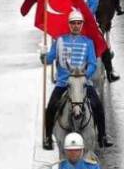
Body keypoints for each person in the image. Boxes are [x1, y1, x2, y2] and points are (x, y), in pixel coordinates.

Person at [40, 11, 110, 150]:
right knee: (51, 106)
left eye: (78, 23)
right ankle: (48, 137)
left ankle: (102, 136)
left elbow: (92, 64)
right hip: (63, 82)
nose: (76, 26)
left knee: (97, 105)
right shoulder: (59, 41)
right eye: (73, 23)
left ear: (82, 24)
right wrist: (43, 54)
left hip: (83, 82)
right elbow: (49, 59)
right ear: (69, 24)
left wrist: (84, 76)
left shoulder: (88, 42)